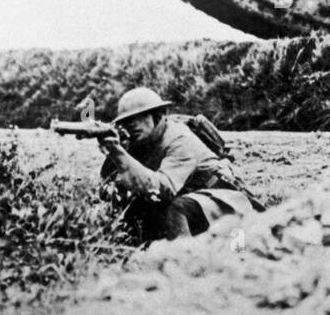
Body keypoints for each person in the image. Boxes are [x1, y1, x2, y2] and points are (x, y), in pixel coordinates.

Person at [98, 87, 261, 241]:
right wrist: (116, 152)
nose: (133, 124)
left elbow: (163, 189)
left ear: (157, 115)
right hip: (194, 203)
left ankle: (182, 257)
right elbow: (107, 187)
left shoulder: (180, 139)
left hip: (228, 204)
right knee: (136, 212)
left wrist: (117, 152)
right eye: (127, 121)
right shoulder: (139, 141)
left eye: (141, 117)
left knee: (178, 208)